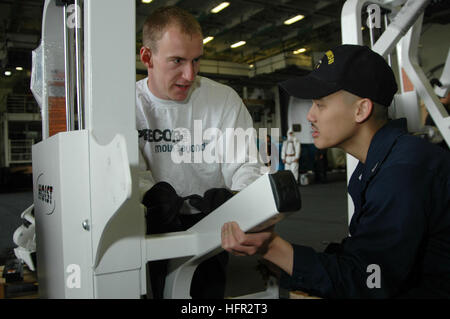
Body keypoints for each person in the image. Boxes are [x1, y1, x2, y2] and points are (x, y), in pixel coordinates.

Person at [221, 44, 450, 298]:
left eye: (320, 104)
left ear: (361, 110)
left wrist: (272, 248)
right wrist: (285, 262)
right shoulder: (375, 167)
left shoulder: (402, 173)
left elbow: (371, 281)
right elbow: (362, 255)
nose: (309, 115)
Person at [136, 6, 263, 298]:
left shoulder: (223, 99)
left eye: (196, 60)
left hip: (210, 224)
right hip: (150, 226)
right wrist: (149, 197)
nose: (189, 74)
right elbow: (129, 175)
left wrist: (239, 206)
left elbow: (245, 165)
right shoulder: (129, 104)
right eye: (177, 61)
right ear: (147, 57)